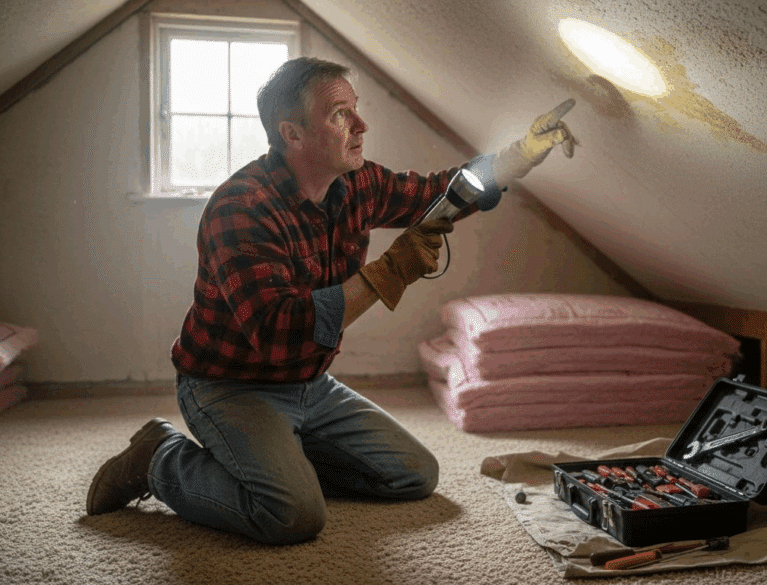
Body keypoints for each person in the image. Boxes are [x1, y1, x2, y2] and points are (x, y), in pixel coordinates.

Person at [85, 57, 578, 545]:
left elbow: (438, 193)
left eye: (356, 109)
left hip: (309, 384)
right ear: (293, 134)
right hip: (228, 385)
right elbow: (282, 337)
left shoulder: (356, 183)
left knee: (415, 475)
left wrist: (520, 155)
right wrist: (390, 271)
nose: (361, 125)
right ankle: (158, 457)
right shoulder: (241, 208)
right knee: (291, 516)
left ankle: (280, 457)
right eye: (340, 114)